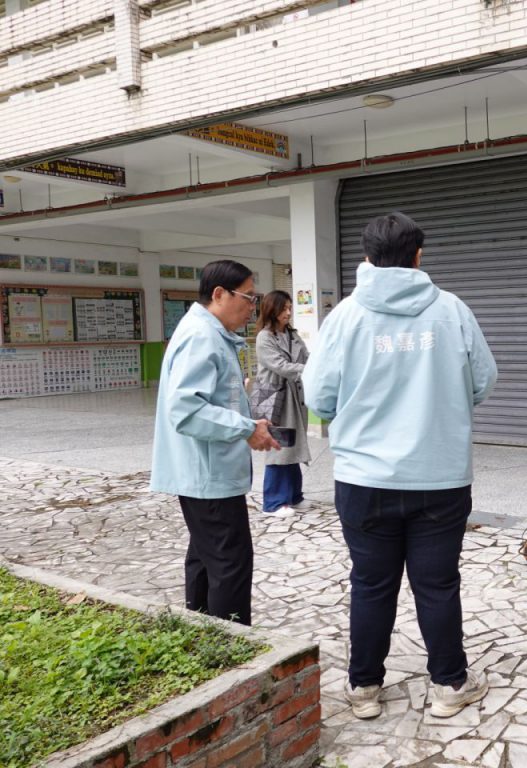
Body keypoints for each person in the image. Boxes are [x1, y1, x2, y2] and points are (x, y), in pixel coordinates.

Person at [303, 211, 498, 721]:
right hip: (440, 475)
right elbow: (484, 381)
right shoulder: (452, 311)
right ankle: (450, 683)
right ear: (418, 256)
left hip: (364, 480)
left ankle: (365, 688)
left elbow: (320, 398)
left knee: (370, 583)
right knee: (437, 584)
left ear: (367, 258)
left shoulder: (345, 317)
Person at [150, 260, 279, 626]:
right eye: (249, 297)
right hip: (207, 476)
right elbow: (187, 409)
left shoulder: (209, 333)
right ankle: (233, 643)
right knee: (230, 562)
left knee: (207, 557)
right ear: (219, 294)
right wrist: (244, 428)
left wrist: (246, 424)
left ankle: (204, 632)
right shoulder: (201, 336)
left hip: (206, 471)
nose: (253, 307)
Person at [254, 290, 311, 516]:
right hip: (276, 398)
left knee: (293, 444)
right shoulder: (264, 337)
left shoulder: (292, 334)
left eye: (290, 308)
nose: (288, 312)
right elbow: (280, 365)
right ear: (272, 310)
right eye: (284, 308)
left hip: (295, 397)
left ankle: (294, 496)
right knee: (279, 447)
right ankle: (274, 502)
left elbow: (306, 356)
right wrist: (311, 371)